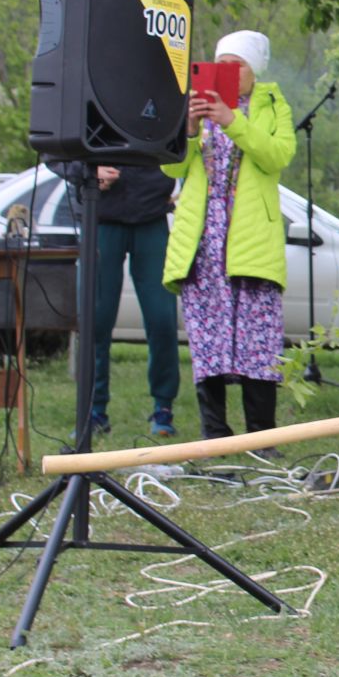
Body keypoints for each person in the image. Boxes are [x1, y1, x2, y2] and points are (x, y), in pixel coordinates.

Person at [163, 30, 294, 442]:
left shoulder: (272, 106)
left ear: (254, 71)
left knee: (258, 343)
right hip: (204, 243)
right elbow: (172, 171)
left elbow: (278, 156)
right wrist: (187, 129)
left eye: (237, 66)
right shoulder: (198, 109)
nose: (229, 74)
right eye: (223, 65)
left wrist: (232, 121)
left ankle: (261, 437)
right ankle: (214, 437)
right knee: (209, 340)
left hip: (251, 241)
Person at [54, 159, 180, 439]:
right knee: (95, 321)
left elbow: (182, 146)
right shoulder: (88, 111)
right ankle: (94, 411)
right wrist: (88, 171)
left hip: (152, 217)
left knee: (162, 319)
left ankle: (163, 407)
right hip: (101, 218)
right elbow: (55, 152)